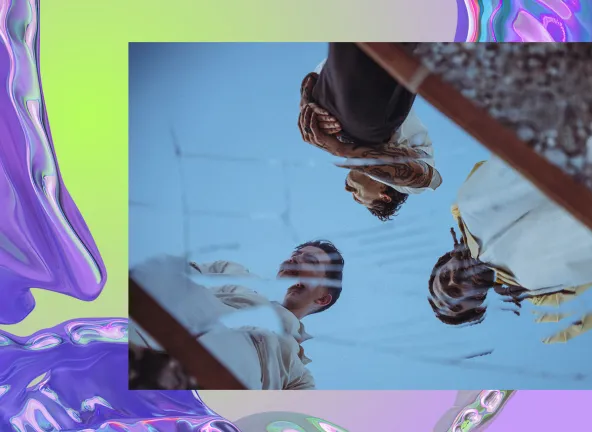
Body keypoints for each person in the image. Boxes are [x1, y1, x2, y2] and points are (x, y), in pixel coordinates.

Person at [427, 157, 592, 339]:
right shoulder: (540, 293)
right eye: (455, 299)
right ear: (478, 303)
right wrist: (535, 293)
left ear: (448, 257)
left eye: (444, 278)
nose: (453, 282)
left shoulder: (467, 206)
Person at [128, 240, 344, 390]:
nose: (295, 259)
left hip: (231, 375)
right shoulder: (234, 275)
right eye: (294, 255)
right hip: (167, 324)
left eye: (311, 261)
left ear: (322, 299)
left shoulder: (297, 372)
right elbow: (174, 275)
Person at [297, 43, 443, 221]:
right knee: (365, 133)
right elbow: (425, 177)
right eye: (358, 199)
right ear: (384, 195)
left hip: (334, 90)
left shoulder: (343, 135)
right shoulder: (413, 185)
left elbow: (311, 78)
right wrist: (340, 150)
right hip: (372, 118)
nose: (348, 190)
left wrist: (307, 103)